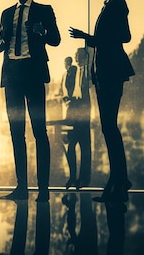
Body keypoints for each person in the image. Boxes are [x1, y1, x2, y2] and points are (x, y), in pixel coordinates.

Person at [0, 0, 61, 203]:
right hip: (12, 77)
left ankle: (43, 190)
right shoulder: (6, 13)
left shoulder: (44, 10)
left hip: (33, 74)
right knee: (16, 132)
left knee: (39, 132)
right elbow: (1, 46)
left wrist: (41, 32)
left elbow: (56, 39)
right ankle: (21, 187)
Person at [69, 0, 134, 203]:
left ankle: (118, 180)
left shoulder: (117, 4)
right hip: (104, 75)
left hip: (111, 74)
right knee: (108, 127)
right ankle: (119, 179)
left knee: (109, 127)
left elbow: (124, 36)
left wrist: (87, 37)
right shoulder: (108, 6)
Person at [64, 47, 92, 189]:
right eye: (78, 56)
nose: (79, 59)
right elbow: (69, 87)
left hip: (84, 110)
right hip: (74, 108)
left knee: (84, 146)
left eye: (81, 56)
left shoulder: (87, 71)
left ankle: (83, 179)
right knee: (71, 146)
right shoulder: (73, 71)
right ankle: (73, 177)